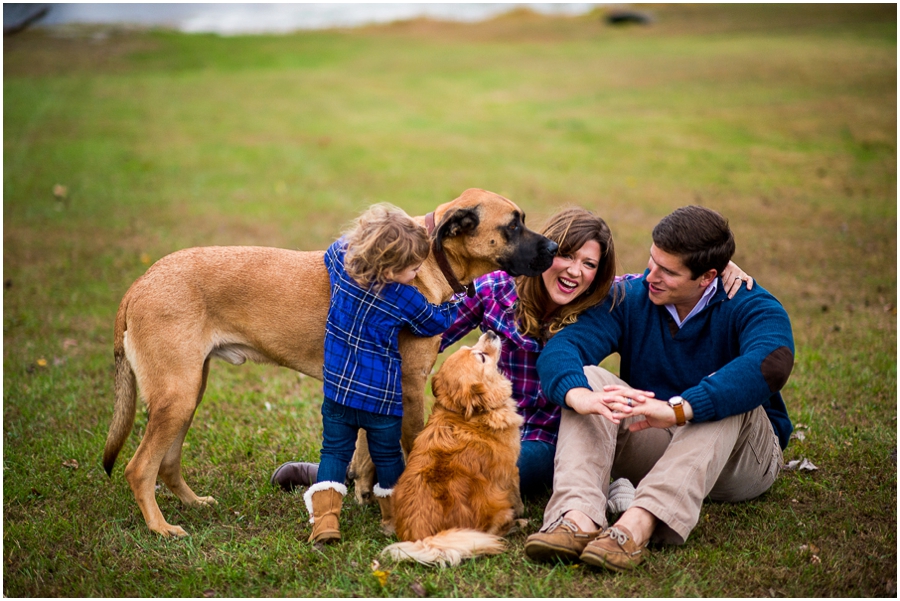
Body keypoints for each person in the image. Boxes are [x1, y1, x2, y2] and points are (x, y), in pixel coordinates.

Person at [274, 207, 755, 499]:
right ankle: (350, 468)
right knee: (447, 444)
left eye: (589, 265)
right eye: (566, 256)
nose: (574, 272)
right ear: (546, 253)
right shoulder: (497, 290)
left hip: (541, 437)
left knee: (501, 469)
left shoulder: (605, 302)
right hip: (475, 421)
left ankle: (360, 474)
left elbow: (674, 273)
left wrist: (725, 266)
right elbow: (427, 339)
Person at [523, 205, 794, 573]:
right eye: (652, 262)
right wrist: (579, 394)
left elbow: (773, 361)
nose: (652, 276)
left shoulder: (750, 304)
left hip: (741, 463)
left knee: (728, 393)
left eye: (668, 271)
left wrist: (680, 409)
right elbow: (565, 347)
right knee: (590, 378)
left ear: (707, 276)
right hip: (658, 441)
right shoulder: (633, 297)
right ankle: (577, 518)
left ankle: (636, 526)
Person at [303, 203, 461, 545]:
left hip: (338, 396)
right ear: (390, 270)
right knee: (389, 458)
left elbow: (335, 250)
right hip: (383, 402)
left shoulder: (344, 271)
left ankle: (326, 521)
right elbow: (435, 322)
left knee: (332, 455)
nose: (419, 272)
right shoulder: (405, 297)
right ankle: (393, 519)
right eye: (413, 266)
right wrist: (452, 303)